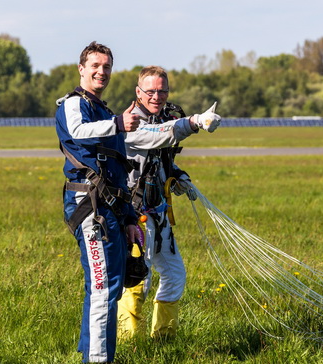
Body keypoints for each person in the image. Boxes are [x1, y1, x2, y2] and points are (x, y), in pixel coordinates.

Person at [118, 65, 221, 339]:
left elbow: (162, 158)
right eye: (150, 91)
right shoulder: (131, 123)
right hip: (135, 216)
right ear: (138, 92)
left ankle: (164, 339)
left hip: (160, 215)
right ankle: (128, 341)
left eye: (162, 91)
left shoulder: (160, 119)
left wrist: (179, 177)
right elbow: (160, 135)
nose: (156, 96)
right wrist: (193, 122)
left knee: (175, 275)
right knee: (139, 278)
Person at [55, 41, 140, 363]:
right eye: (95, 66)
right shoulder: (73, 104)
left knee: (112, 288)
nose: (101, 72)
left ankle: (94, 353)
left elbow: (118, 170)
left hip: (113, 208)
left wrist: (131, 218)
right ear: (82, 69)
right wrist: (118, 123)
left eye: (106, 67)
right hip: (89, 207)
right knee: (103, 289)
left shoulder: (105, 111)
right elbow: (77, 131)